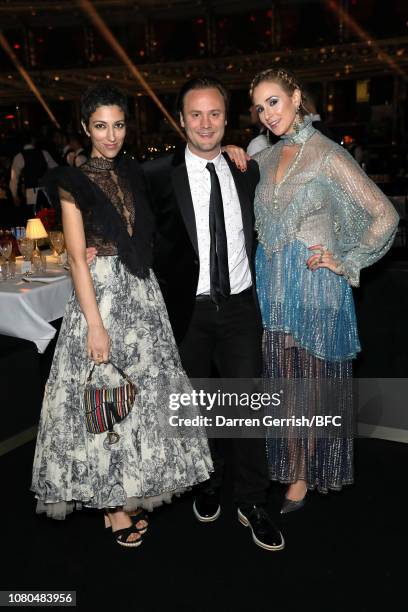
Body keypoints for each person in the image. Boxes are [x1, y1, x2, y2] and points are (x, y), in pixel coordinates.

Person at [31, 83, 212, 548]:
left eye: (118, 125)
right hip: (102, 301)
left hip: (143, 299)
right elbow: (75, 258)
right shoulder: (73, 183)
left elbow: (186, 164)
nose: (110, 136)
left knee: (141, 402)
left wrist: (230, 146)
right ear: (84, 129)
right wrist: (94, 324)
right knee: (102, 399)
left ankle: (130, 493)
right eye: (100, 127)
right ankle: (112, 508)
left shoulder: (134, 171)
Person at [246, 68, 399, 512]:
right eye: (259, 107)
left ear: (296, 96)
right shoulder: (266, 160)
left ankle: (302, 474)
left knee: (311, 388)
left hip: (316, 288)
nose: (267, 113)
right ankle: (293, 467)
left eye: (274, 101)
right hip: (274, 289)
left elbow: (383, 214)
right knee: (284, 385)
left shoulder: (328, 154)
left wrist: (348, 260)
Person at [142, 77, 284, 551]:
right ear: (181, 119)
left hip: (241, 305)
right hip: (188, 312)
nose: (206, 124)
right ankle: (208, 479)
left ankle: (253, 500)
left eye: (215, 114)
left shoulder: (246, 168)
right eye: (195, 115)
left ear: (228, 118)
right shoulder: (156, 175)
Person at [9, 131, 58, 219]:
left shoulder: (19, 156)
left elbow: (14, 179)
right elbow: (56, 169)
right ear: (33, 141)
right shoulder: (44, 153)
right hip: (46, 190)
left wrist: (14, 195)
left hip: (30, 192)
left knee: (34, 218)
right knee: (49, 217)